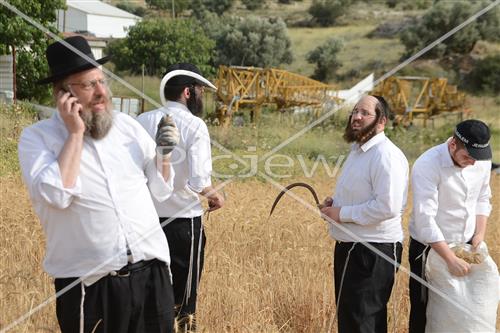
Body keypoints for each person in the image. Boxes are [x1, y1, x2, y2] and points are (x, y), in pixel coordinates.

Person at [18, 36, 180, 333]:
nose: (102, 92)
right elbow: (56, 195)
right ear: (63, 95)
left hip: (151, 276)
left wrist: (164, 155)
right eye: (88, 85)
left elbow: (159, 190)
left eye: (102, 82)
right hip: (90, 287)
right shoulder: (37, 139)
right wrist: (75, 134)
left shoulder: (128, 127)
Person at [137, 63, 224, 331]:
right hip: (183, 224)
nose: (201, 96)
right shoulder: (195, 125)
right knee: (184, 303)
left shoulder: (141, 121)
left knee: (148, 299)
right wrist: (216, 196)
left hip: (145, 223)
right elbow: (198, 180)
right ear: (188, 92)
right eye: (199, 90)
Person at [320, 95, 409, 333]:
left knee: (364, 323)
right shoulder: (358, 150)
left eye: (365, 113)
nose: (356, 117)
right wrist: (335, 203)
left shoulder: (385, 155)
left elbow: (387, 207)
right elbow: (363, 193)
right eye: (354, 111)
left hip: (373, 251)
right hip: (352, 247)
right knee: (351, 321)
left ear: (382, 121)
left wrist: (342, 213)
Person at [408, 119, 492, 333]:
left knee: (466, 311)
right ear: (453, 145)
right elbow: (425, 219)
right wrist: (449, 258)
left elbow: (483, 196)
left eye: (477, 158)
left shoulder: (479, 161)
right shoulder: (427, 164)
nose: (473, 163)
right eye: (468, 157)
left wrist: (479, 234)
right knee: (423, 311)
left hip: (465, 247)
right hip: (429, 249)